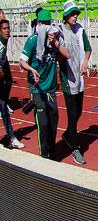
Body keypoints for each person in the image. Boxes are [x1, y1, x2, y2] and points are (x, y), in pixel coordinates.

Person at [19, 9, 71, 159]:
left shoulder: (55, 39)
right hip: (37, 89)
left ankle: (52, 149)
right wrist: (32, 69)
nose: (48, 27)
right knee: (43, 123)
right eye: (45, 23)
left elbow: (66, 55)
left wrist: (55, 43)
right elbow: (22, 61)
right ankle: (44, 154)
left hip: (51, 89)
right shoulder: (33, 40)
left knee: (53, 121)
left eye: (50, 23)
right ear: (39, 24)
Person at [58, 1, 92, 164]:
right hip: (67, 77)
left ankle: (67, 135)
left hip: (79, 77)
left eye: (76, 13)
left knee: (78, 112)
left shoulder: (80, 30)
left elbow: (88, 48)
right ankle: (75, 148)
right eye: (72, 14)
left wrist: (85, 61)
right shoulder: (60, 31)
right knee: (72, 114)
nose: (75, 16)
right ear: (66, 16)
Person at [0, 19, 25, 149]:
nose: (7, 31)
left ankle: (12, 137)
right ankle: (12, 138)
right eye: (4, 28)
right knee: (3, 108)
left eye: (8, 28)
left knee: (4, 109)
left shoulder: (4, 43)